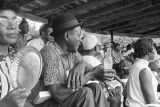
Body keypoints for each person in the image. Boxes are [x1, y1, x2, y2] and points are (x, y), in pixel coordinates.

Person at [40, 13, 121, 107]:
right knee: (85, 93)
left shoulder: (72, 52)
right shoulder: (49, 52)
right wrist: (91, 74)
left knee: (95, 87)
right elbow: (58, 95)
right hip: (49, 101)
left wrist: (82, 64)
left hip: (63, 98)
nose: (81, 40)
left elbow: (94, 69)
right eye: (78, 35)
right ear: (67, 36)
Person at [0, 1, 32, 107]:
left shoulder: (16, 56)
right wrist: (5, 103)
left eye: (14, 20)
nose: (12, 26)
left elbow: (22, 101)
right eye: (4, 21)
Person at [126, 38, 158, 107]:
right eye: (154, 49)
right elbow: (151, 103)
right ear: (148, 52)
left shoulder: (136, 64)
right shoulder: (144, 70)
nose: (155, 51)